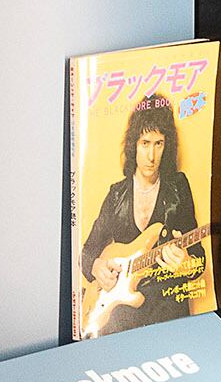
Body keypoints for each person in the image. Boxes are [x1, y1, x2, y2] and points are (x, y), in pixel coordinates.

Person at [74, 97, 203, 335]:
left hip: (167, 312)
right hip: (122, 316)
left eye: (158, 143)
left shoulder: (178, 187)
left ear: (167, 146)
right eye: (145, 143)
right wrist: (96, 266)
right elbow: (86, 253)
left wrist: (186, 265)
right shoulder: (116, 195)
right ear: (134, 144)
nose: (151, 156)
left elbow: (199, 260)